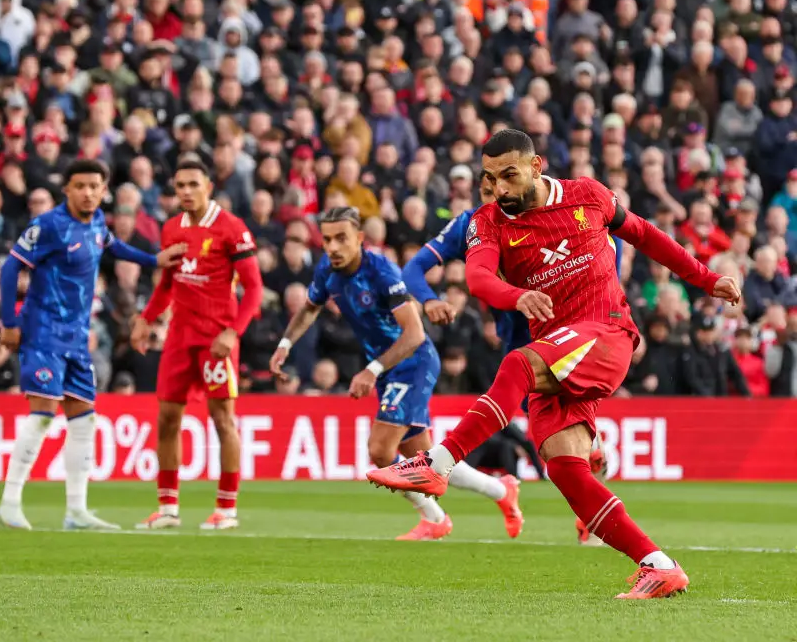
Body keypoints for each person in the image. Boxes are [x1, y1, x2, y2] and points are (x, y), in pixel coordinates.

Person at [368, 130, 741, 599]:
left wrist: (705, 279)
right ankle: (658, 565)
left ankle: (436, 464)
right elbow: (480, 278)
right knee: (565, 469)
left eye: (509, 175)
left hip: (605, 332)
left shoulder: (588, 195)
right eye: (490, 178)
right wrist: (517, 294)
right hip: (561, 351)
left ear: (536, 165)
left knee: (518, 365)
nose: (500, 188)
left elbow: (644, 234)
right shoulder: (487, 222)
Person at [270, 206, 523, 541]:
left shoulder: (382, 273)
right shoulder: (326, 271)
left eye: (342, 238)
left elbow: (415, 333)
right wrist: (286, 343)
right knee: (426, 459)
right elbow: (309, 308)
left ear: (359, 239)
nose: (333, 246)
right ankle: (502, 491)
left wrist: (370, 371)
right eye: (328, 239)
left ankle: (434, 517)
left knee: (379, 449)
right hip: (389, 368)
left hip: (413, 362)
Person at [404, 178, 608, 545]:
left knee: (561, 444)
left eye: (506, 188)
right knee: (552, 444)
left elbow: (608, 248)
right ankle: (589, 476)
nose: (498, 199)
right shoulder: (471, 225)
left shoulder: (553, 216)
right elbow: (413, 269)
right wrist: (429, 299)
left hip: (565, 334)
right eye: (487, 192)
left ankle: (592, 513)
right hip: (518, 341)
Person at [0, 159, 186, 532]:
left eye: (94, 186)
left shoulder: (98, 221)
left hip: (77, 338)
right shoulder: (48, 225)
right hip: (44, 333)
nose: (87, 193)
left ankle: (76, 511)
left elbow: (112, 247)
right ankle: (10, 502)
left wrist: (153, 260)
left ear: (104, 189)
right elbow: (9, 268)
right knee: (43, 414)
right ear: (66, 188)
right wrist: (9, 321)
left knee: (84, 419)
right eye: (79, 186)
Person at [130, 156, 263, 531]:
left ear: (209, 186)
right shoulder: (171, 227)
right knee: (167, 418)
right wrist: (145, 319)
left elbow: (254, 288)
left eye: (193, 184)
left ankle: (226, 508)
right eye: (179, 186)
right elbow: (168, 284)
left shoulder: (231, 228)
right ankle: (168, 508)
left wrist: (232, 331)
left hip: (216, 339)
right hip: (179, 337)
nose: (186, 192)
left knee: (223, 419)